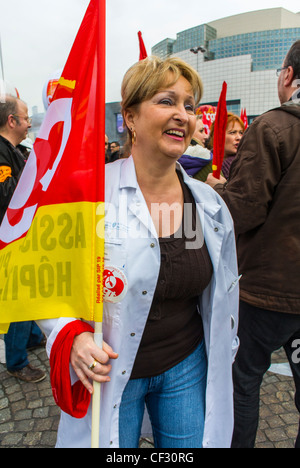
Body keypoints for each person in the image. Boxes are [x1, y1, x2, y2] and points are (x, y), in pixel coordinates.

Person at [38, 56, 239, 449]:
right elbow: (44, 275)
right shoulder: (90, 196)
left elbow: (222, 288)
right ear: (129, 116)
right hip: (111, 372)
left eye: (189, 105)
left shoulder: (205, 204)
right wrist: (68, 334)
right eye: (167, 101)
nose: (183, 114)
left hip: (186, 364)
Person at [206, 40, 300, 448]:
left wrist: (213, 193)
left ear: (288, 76)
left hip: (268, 291)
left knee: (242, 383)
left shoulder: (276, 127)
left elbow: (243, 211)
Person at [0, 95, 46, 383]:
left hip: (21, 236)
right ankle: (16, 361)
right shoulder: (2, 153)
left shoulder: (15, 150)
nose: (30, 123)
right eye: (26, 117)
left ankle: (30, 336)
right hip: (11, 239)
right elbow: (7, 196)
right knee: (21, 294)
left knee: (30, 288)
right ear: (11, 121)